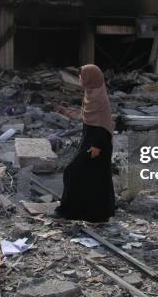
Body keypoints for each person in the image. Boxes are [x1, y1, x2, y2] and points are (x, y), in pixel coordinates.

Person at [55, 64, 115, 223]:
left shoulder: (98, 99)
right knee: (90, 178)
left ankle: (69, 211)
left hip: (98, 144)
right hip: (89, 140)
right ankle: (91, 214)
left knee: (73, 172)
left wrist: (96, 147)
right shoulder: (91, 94)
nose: (79, 78)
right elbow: (88, 122)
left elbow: (102, 125)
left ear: (91, 79)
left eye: (82, 76)